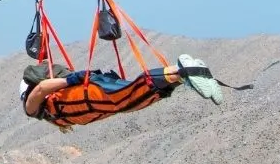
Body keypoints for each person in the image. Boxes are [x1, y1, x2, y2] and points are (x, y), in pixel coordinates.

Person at [20, 53, 224, 131]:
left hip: (94, 93)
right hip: (99, 99)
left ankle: (182, 70)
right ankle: (182, 75)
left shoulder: (33, 108)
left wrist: (70, 79)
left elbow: (40, 89)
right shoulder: (53, 112)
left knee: (132, 93)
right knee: (138, 99)